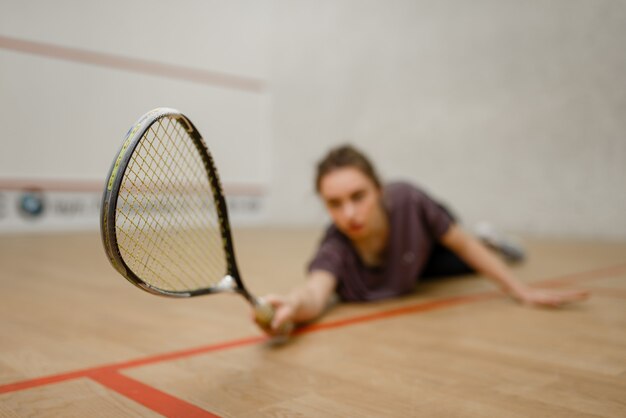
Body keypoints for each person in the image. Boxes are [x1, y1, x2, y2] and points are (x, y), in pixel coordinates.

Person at [258, 144, 589, 334]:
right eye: (334, 204)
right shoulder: (335, 249)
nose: (349, 214)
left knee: (469, 261)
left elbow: (462, 245)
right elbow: (315, 293)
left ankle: (491, 240)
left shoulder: (407, 200)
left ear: (379, 189)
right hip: (411, 270)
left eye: (359, 196)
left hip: (425, 240)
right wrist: (293, 304)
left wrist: (522, 292)